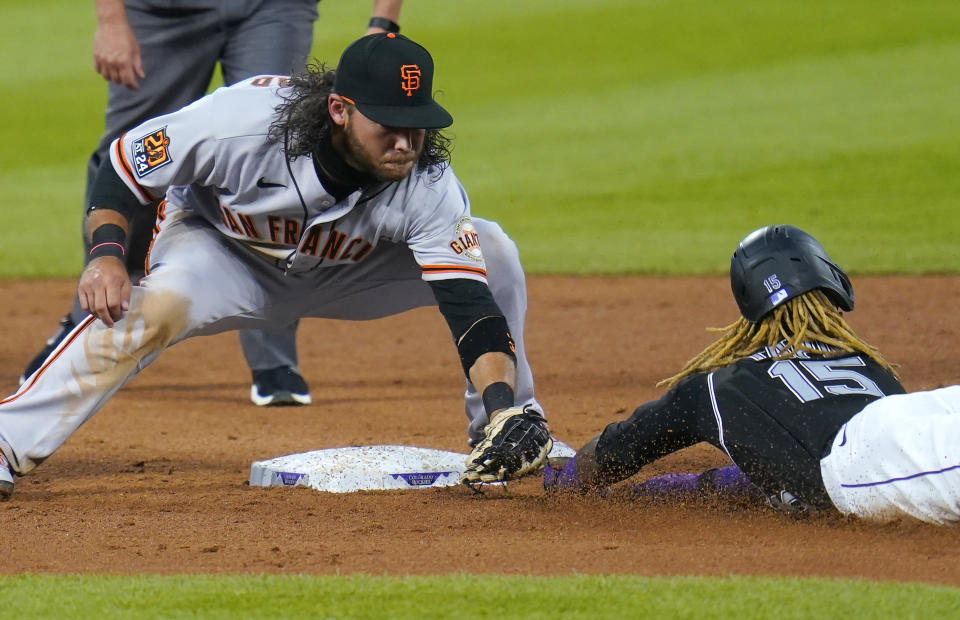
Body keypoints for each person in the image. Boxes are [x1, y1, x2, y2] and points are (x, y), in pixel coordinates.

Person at [0, 32, 553, 499]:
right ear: (341, 110)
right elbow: (124, 166)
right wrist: (105, 257)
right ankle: (8, 440)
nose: (406, 142)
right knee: (155, 307)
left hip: (351, 274)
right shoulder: (240, 123)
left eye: (418, 124)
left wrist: (499, 401)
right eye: (389, 124)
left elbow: (470, 308)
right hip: (222, 254)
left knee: (493, 248)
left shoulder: (427, 184)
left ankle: (509, 428)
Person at [20, 0, 407, 407]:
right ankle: (89, 323)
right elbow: (125, 164)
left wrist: (384, 18)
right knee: (132, 152)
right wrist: (111, 17)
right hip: (160, 11)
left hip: (273, 9)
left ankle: (273, 358)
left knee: (284, 142)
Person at [545, 225, 960, 526]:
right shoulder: (870, 363)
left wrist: (564, 483)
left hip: (871, 460)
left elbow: (614, 451)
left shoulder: (719, 384)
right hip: (918, 412)